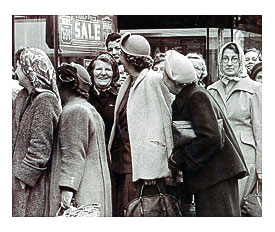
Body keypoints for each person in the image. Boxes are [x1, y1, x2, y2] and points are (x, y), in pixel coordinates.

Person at [164, 50, 248, 216]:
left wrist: (180, 158)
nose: (162, 79)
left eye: (164, 75)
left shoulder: (195, 96)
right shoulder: (195, 93)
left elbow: (211, 137)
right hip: (215, 175)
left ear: (175, 80)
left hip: (216, 176)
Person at [108, 33, 174, 216]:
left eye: (120, 52)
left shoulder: (153, 80)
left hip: (144, 171)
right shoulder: (127, 83)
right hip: (124, 165)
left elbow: (164, 122)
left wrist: (152, 169)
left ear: (129, 57)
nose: (118, 56)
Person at [49, 62, 112, 217]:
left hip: (81, 194)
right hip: (93, 189)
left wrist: (67, 188)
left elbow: (73, 154)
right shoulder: (88, 109)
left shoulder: (74, 111)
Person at [207, 42, 262, 206]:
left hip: (245, 158)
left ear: (241, 62)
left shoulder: (255, 89)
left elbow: (261, 132)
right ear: (219, 62)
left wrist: (262, 169)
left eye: (234, 59)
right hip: (219, 158)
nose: (229, 63)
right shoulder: (211, 90)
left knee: (240, 206)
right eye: (225, 59)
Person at [12, 47, 62, 216]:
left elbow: (41, 146)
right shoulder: (23, 96)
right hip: (16, 177)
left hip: (31, 184)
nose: (15, 70)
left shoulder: (45, 100)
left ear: (28, 69)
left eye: (18, 65)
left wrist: (25, 178)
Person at [87, 52, 119, 145]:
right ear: (92, 72)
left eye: (108, 69)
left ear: (114, 73)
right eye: (99, 69)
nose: (103, 73)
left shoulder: (120, 97)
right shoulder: (85, 96)